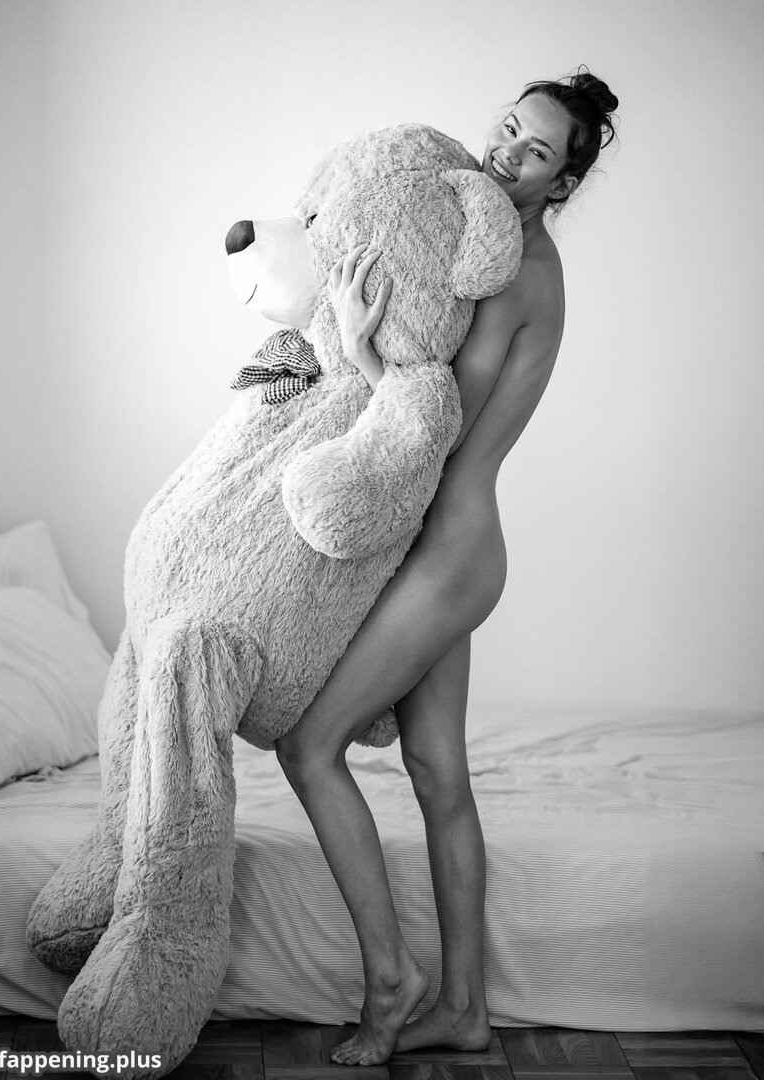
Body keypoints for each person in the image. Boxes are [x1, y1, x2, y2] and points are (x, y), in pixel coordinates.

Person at [275, 68, 619, 1067]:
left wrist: (361, 347)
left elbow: (441, 426)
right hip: (446, 544)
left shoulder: (522, 270)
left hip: (451, 551)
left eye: (536, 151)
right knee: (437, 776)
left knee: (310, 747)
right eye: (509, 128)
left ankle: (391, 988)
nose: (507, 151)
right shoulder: (488, 241)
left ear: (562, 182)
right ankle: (465, 1009)